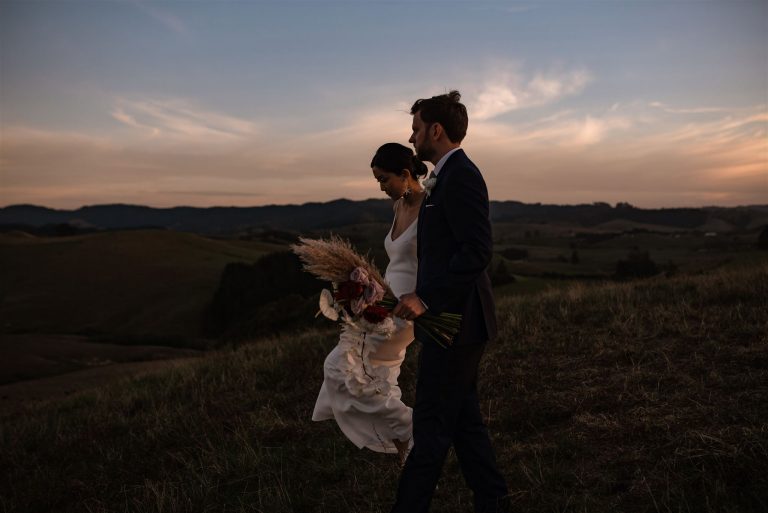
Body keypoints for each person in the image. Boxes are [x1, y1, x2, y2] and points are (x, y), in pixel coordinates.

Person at [391, 91, 510, 512]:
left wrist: (426, 297)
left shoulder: (462, 176)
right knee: (463, 422)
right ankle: (493, 499)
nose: (412, 136)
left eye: (417, 128)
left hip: (458, 325)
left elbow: (477, 250)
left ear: (436, 130)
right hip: (450, 324)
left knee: (431, 427)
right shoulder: (443, 176)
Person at [312, 142, 428, 464]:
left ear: (406, 174)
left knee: (340, 367)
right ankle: (409, 453)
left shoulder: (431, 207)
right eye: (376, 180)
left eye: (384, 179)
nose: (380, 187)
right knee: (379, 376)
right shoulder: (398, 207)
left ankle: (416, 430)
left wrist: (419, 299)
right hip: (383, 301)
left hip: (406, 310)